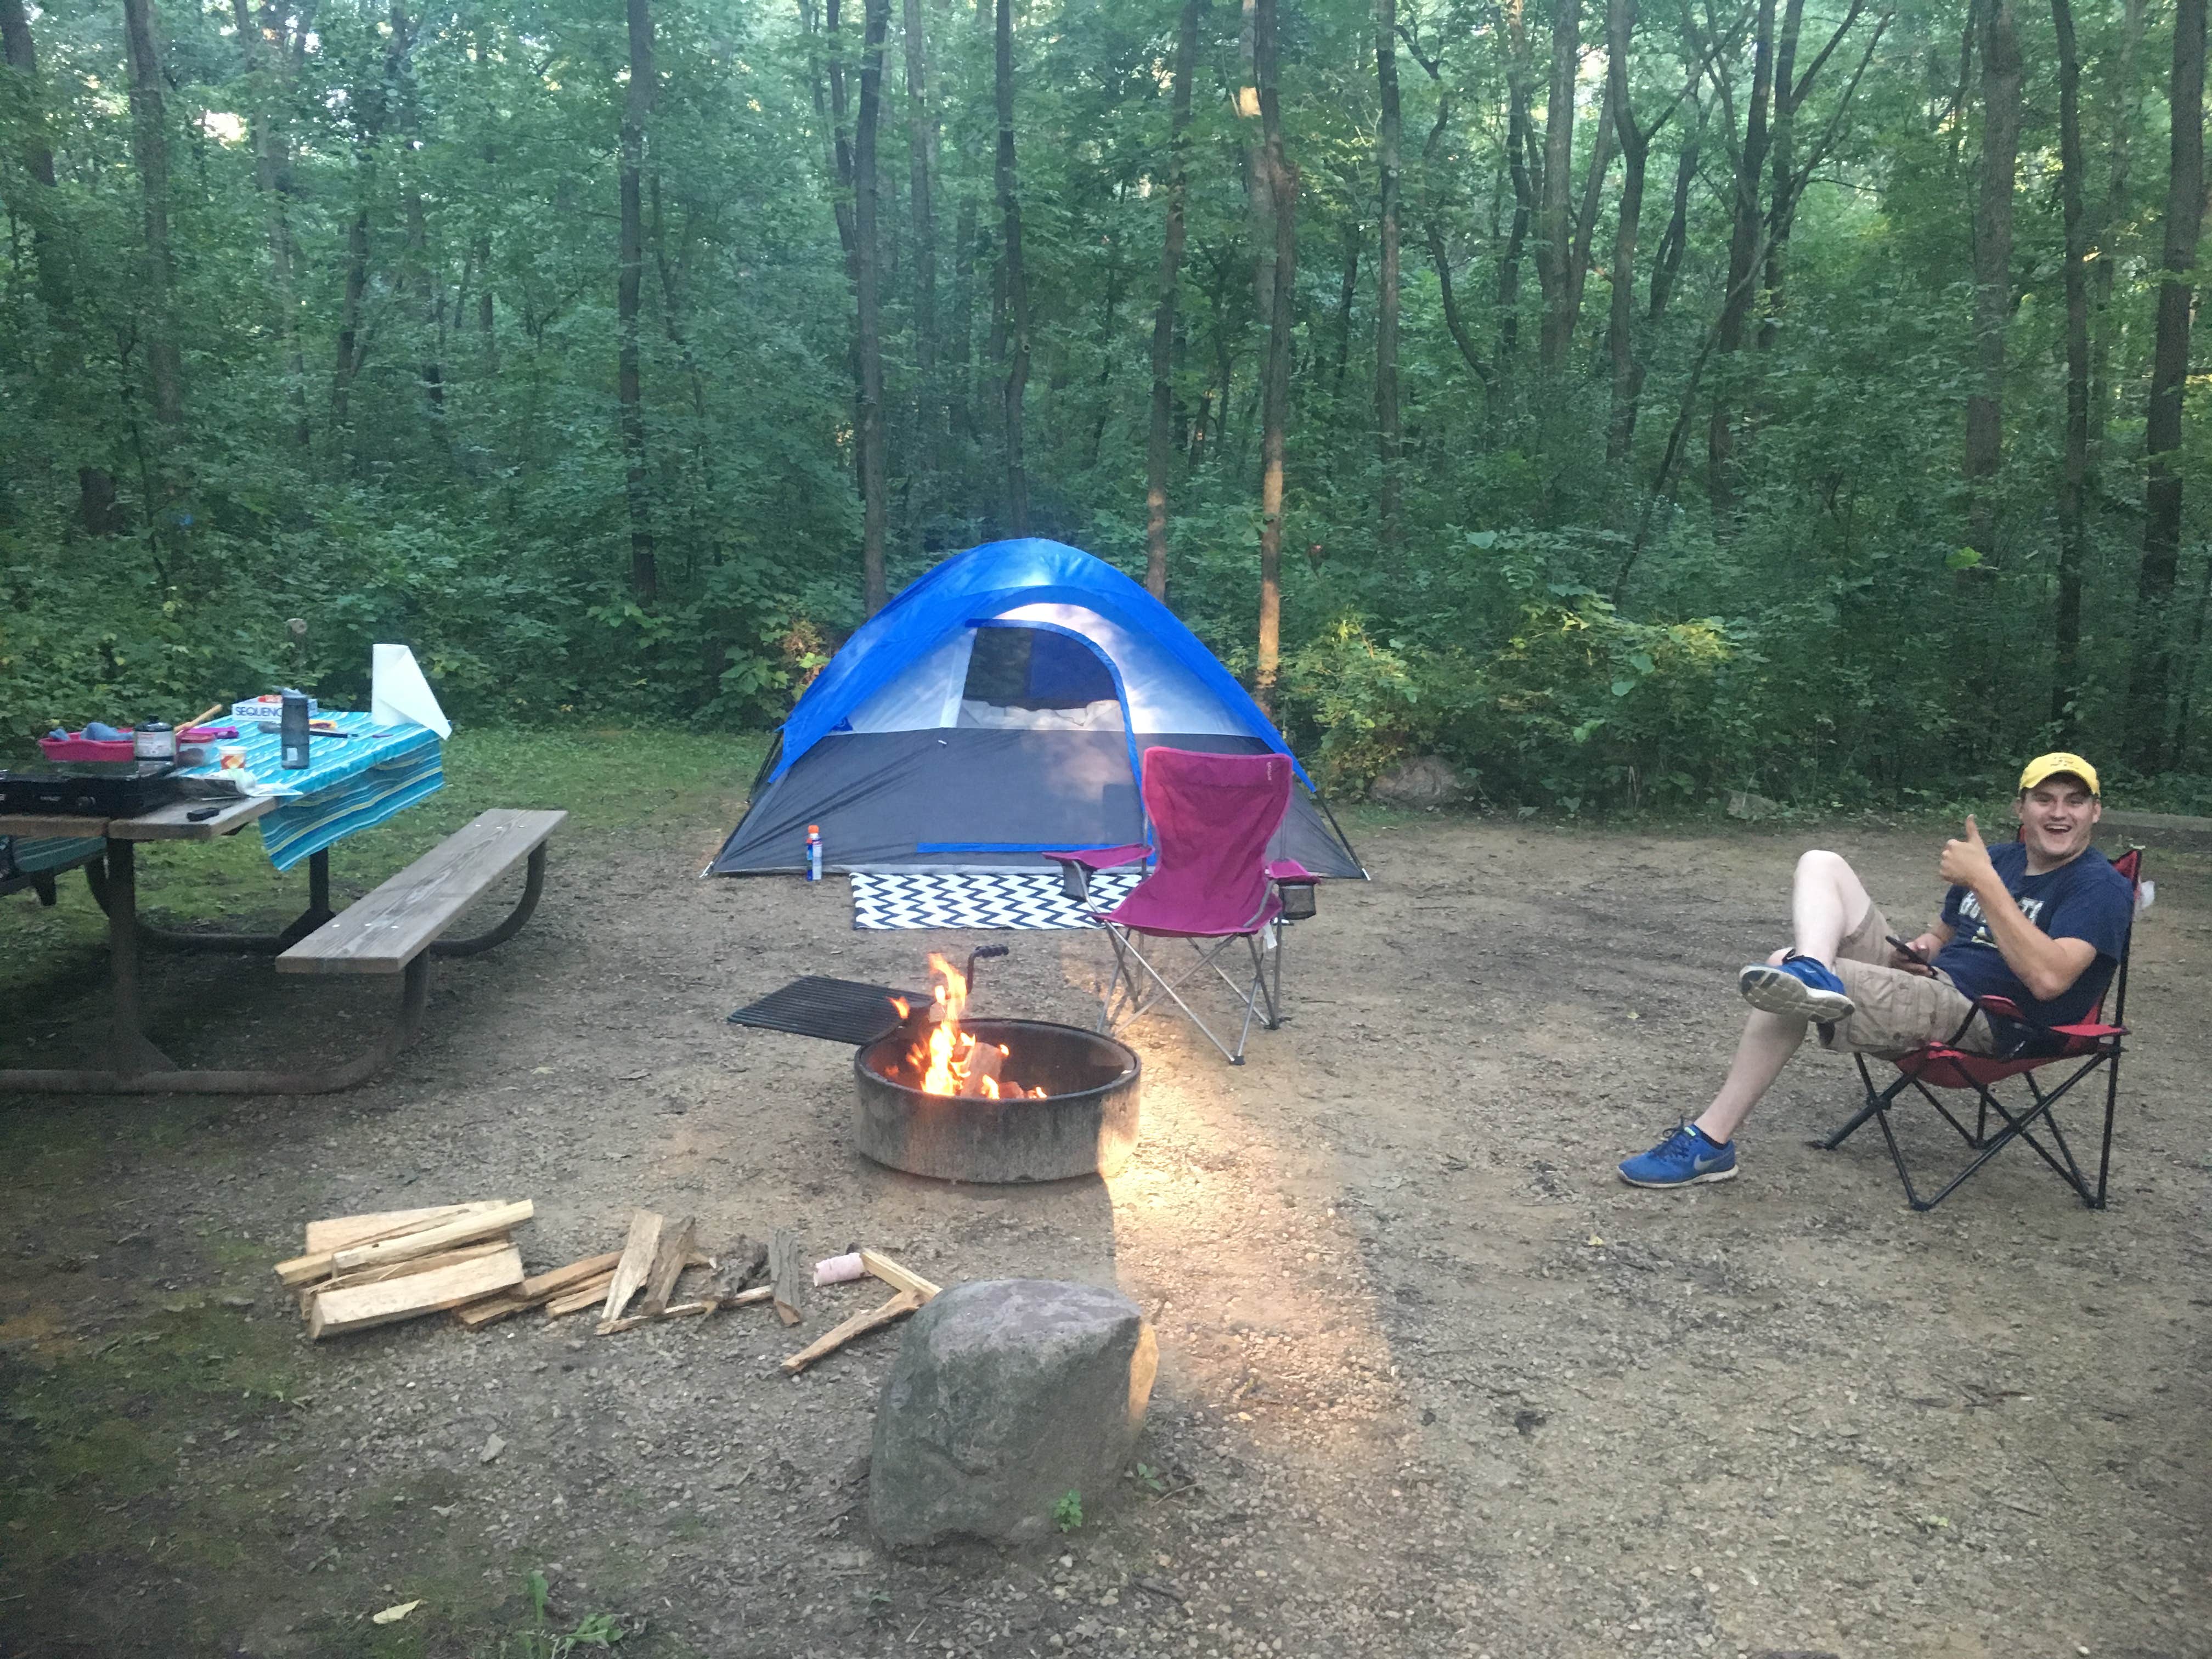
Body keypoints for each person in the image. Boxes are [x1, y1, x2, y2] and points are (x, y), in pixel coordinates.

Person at [1618, 753, 2136, 1189]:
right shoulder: (1997, 859)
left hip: (1995, 1021)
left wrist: (1984, 882)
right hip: (1932, 987)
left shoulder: (2097, 888)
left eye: (2075, 801)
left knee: (1783, 969)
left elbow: (2049, 980)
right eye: (2045, 799)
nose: (2059, 813)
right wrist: (1922, 950)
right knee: (1822, 862)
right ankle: (1816, 970)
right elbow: (1941, 936)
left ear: (2096, 812)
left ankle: (1710, 1143)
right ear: (2021, 807)